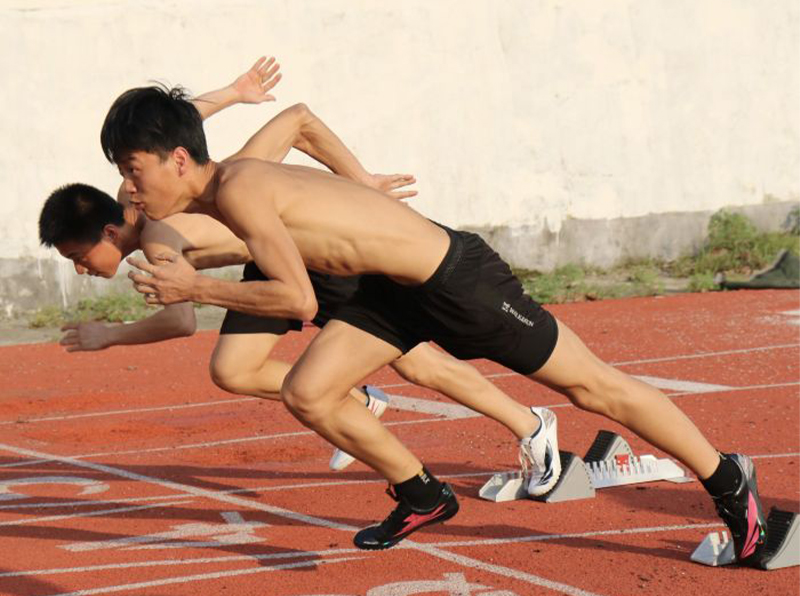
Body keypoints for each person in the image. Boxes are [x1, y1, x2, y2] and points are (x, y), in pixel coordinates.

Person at [101, 82, 767, 564]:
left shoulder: (240, 187)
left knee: (594, 388)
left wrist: (196, 288)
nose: (131, 190)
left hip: (457, 281)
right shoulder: (223, 193)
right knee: (308, 391)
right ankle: (422, 492)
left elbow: (298, 300)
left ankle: (728, 481)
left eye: (134, 171)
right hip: (391, 295)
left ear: (177, 160)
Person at [40, 59, 552, 475]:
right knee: (232, 368)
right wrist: (232, 92)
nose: (83, 270)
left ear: (108, 234)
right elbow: (169, 123)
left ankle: (530, 426)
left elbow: (181, 318)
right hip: (264, 266)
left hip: (311, 261)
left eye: (79, 258)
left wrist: (110, 336)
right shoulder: (134, 195)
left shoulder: (159, 236)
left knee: (415, 360)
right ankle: (358, 399)